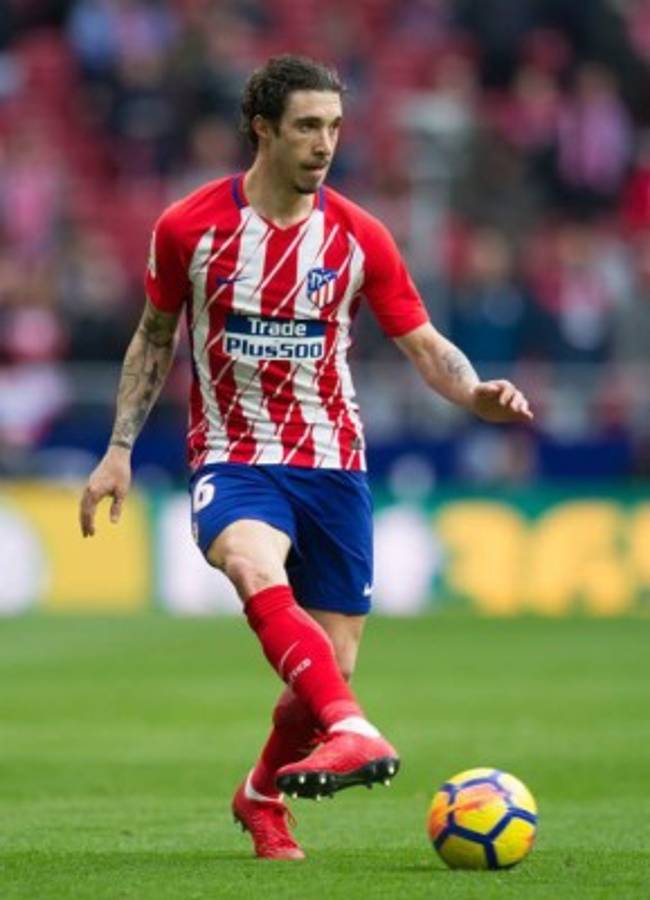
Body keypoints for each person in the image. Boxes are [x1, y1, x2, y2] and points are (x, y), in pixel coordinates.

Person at [78, 55, 533, 861]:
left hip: (333, 461)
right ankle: (353, 730)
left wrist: (474, 394)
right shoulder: (189, 228)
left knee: (330, 665)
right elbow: (153, 339)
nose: (326, 144)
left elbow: (424, 344)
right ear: (263, 129)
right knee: (252, 564)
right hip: (234, 454)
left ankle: (261, 796)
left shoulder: (359, 236)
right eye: (308, 127)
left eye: (335, 126)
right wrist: (118, 449)